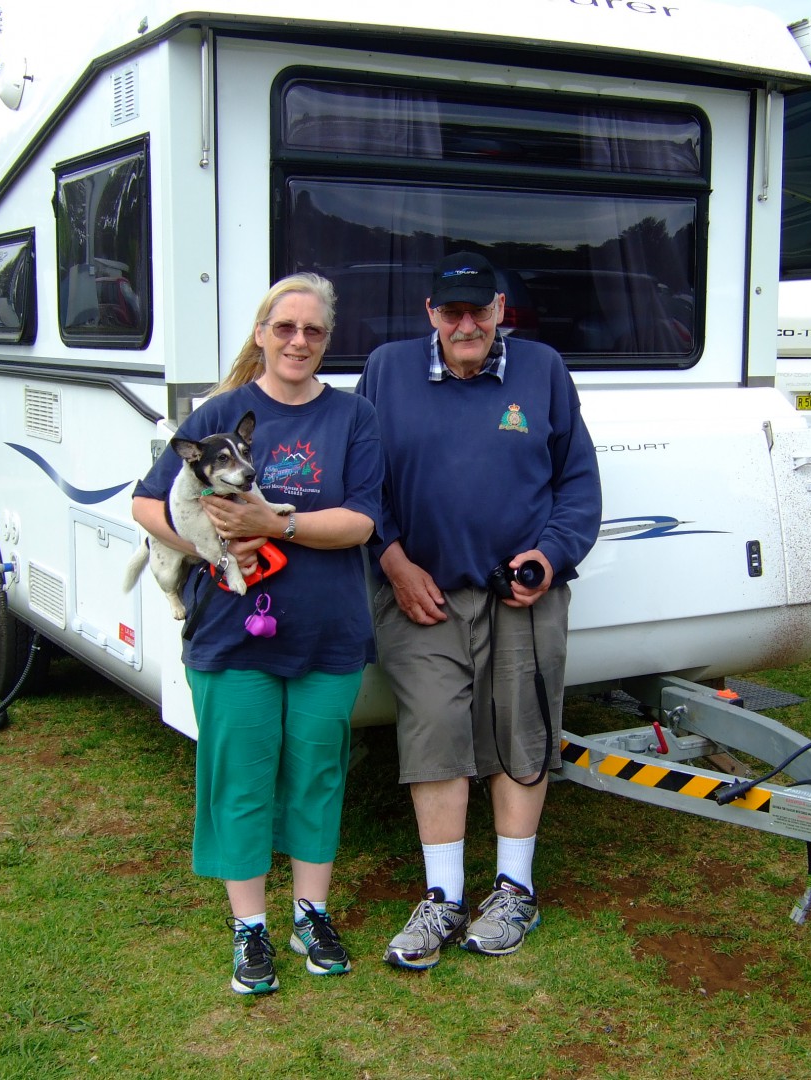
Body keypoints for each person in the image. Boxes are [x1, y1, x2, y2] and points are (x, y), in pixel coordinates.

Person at [132, 273, 383, 995]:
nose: (298, 341)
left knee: (317, 775)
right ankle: (250, 927)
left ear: (327, 340)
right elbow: (146, 504)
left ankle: (311, 914)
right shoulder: (220, 412)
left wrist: (275, 524)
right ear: (262, 334)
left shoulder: (354, 417)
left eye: (313, 330)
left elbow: (361, 521)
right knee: (239, 777)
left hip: (327, 631)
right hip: (231, 633)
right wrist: (212, 545)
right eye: (285, 328)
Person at [356, 251, 601, 968]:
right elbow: (361, 483)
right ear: (430, 313)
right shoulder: (387, 370)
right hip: (421, 593)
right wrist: (393, 561)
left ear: (499, 311)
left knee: (523, 728)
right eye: (452, 311)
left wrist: (549, 557)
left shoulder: (543, 370)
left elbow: (578, 484)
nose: (467, 325)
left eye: (479, 311)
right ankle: (443, 898)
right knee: (433, 727)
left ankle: (515, 890)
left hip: (520, 593)